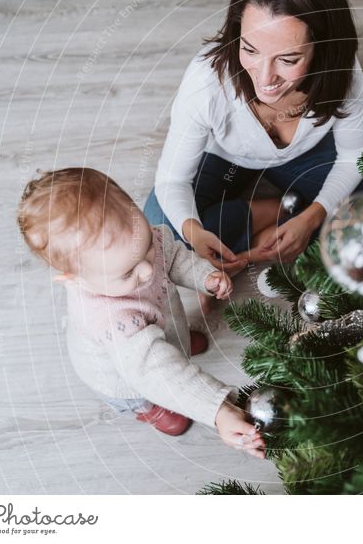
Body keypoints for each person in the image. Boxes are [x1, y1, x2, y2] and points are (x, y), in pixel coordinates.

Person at [143, 0, 363, 311]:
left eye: (288, 59)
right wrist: (194, 234)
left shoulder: (342, 75)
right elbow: (173, 178)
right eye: (249, 49)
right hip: (226, 159)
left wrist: (311, 215)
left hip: (309, 155)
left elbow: (356, 157)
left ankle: (281, 227)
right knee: (159, 228)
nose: (265, 79)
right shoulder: (206, 83)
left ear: (323, 49)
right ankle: (269, 213)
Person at [17, 167, 265, 457]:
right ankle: (152, 411)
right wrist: (218, 410)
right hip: (129, 377)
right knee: (151, 391)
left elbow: (173, 258)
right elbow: (159, 374)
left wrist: (205, 276)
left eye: (146, 247)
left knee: (171, 348)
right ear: (75, 279)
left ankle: (176, 344)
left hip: (160, 326)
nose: (148, 270)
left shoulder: (136, 244)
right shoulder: (111, 321)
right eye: (127, 274)